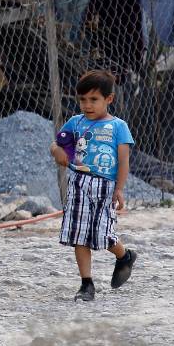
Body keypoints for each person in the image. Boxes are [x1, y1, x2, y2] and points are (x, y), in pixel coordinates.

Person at [50, 70, 138, 302]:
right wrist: (58, 150)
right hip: (78, 184)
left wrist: (119, 188)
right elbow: (57, 144)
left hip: (105, 187)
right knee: (79, 234)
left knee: (103, 235)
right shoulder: (75, 123)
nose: (87, 105)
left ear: (109, 99)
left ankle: (125, 256)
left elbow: (123, 159)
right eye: (82, 100)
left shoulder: (119, 127)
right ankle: (86, 284)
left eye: (94, 99)